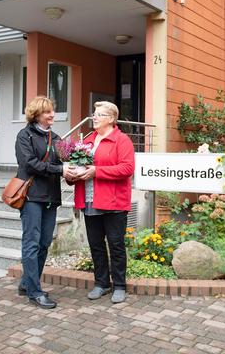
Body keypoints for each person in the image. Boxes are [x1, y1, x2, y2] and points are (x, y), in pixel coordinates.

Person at [72, 101, 135, 304]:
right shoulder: (88, 140)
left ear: (111, 119)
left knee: (116, 245)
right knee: (96, 245)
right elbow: (79, 165)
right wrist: (72, 175)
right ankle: (101, 283)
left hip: (114, 202)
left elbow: (127, 169)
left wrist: (97, 171)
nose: (94, 117)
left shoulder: (121, 140)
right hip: (90, 199)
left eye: (99, 114)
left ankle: (119, 285)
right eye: (94, 113)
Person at [15, 96, 74, 309]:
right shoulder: (25, 136)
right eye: (48, 112)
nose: (52, 115)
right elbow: (29, 164)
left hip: (50, 197)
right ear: (37, 114)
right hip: (31, 196)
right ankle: (34, 291)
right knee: (31, 242)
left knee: (44, 243)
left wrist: (74, 169)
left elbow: (63, 163)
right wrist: (59, 170)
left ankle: (26, 283)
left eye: (52, 111)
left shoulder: (56, 138)